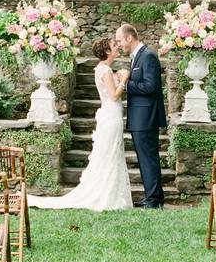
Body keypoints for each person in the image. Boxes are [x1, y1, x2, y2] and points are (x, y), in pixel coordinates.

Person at [27, 38, 132, 211]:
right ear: (107, 51)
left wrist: (118, 76)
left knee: (112, 152)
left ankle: (112, 194)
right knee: (110, 152)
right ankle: (107, 196)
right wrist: (124, 79)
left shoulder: (102, 69)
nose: (118, 47)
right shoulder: (105, 70)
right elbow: (114, 95)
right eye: (114, 46)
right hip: (111, 113)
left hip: (110, 113)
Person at [114, 24, 167, 209]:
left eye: (119, 40)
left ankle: (154, 200)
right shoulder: (138, 55)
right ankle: (152, 196)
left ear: (129, 38)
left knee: (148, 159)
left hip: (146, 117)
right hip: (140, 117)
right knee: (145, 159)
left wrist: (126, 84)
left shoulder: (148, 55)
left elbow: (150, 87)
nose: (118, 44)